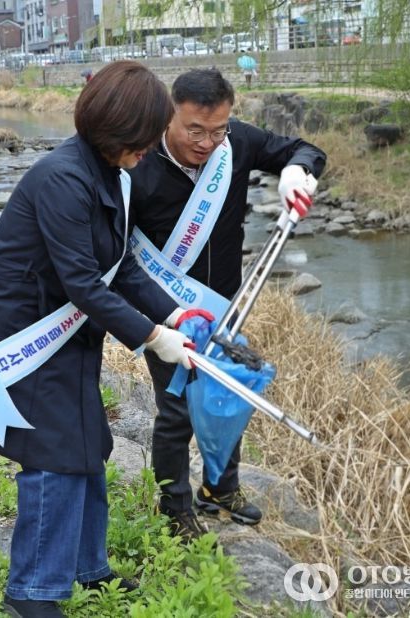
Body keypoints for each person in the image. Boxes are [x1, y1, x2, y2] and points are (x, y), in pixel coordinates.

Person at [0, 61, 211, 618]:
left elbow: (121, 266)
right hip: (22, 330)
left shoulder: (112, 172)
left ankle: (88, 567)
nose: (149, 149)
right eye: (144, 137)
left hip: (64, 325)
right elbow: (84, 283)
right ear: (118, 130)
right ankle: (32, 593)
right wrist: (153, 337)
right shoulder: (62, 179)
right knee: (54, 454)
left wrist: (175, 313)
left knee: (88, 439)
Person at [128, 68, 327, 542]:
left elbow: (306, 150)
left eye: (217, 130)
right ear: (169, 116)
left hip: (227, 305)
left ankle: (220, 488)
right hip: (169, 311)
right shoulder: (138, 165)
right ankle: (174, 509)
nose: (207, 143)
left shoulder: (235, 142)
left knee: (229, 393)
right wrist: (155, 320)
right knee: (176, 411)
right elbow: (117, 256)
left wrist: (296, 173)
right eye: (194, 130)